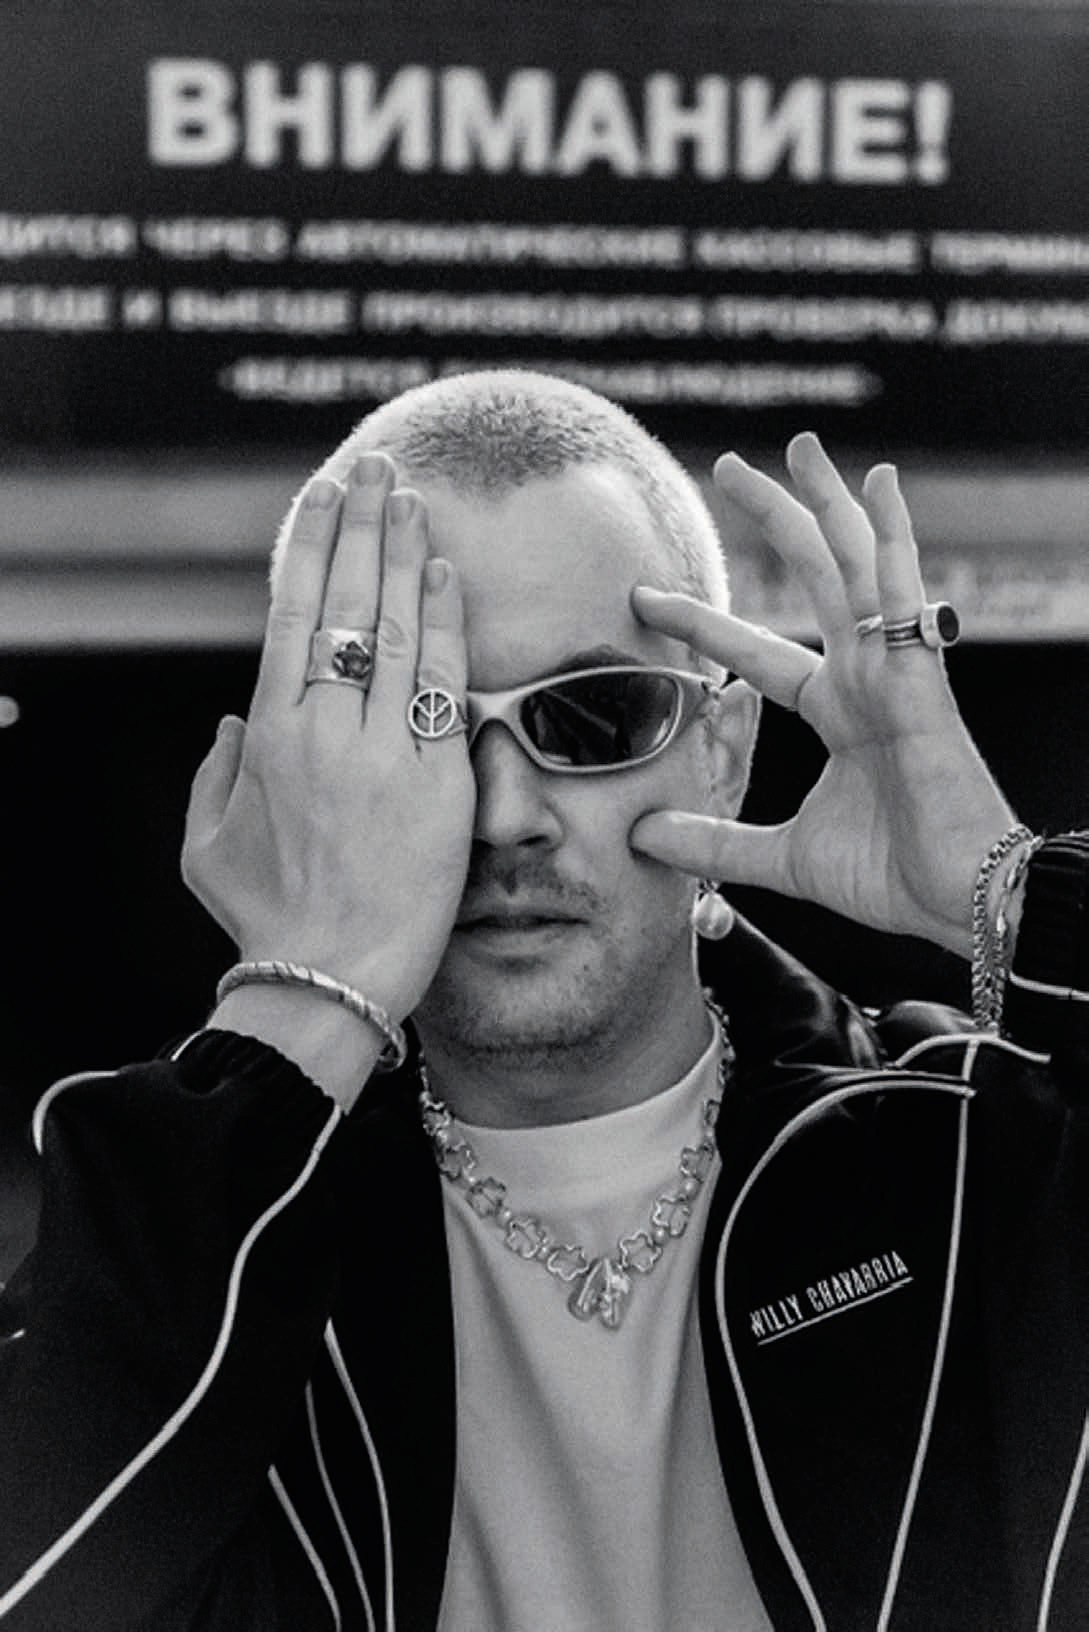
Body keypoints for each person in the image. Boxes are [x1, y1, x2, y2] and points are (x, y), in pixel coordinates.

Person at [1, 369, 1087, 1632]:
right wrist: (299, 1004)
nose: (506, 816)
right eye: (424, 725)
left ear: (723, 751)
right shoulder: (207, 1242)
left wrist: (1008, 887)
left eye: (595, 716)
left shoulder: (973, 1161)